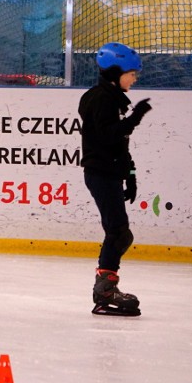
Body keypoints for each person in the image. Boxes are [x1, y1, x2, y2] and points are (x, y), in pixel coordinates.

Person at [78, 42, 151, 317]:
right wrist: (136, 117)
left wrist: (130, 175)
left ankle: (105, 289)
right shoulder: (101, 99)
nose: (135, 78)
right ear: (115, 71)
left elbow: (120, 144)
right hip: (100, 173)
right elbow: (108, 135)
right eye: (131, 72)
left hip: (108, 173)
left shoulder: (112, 98)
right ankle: (105, 293)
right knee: (119, 233)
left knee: (119, 232)